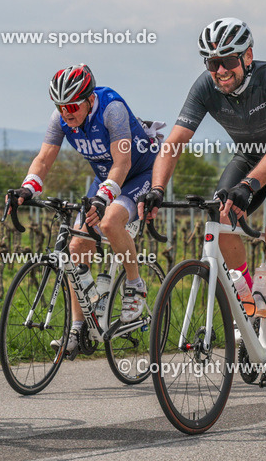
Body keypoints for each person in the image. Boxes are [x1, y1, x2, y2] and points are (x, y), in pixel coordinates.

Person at [139, 17, 266, 388]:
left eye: (229, 61)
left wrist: (249, 186)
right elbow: (173, 143)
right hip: (249, 157)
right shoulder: (206, 85)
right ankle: (249, 302)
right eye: (212, 62)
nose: (220, 70)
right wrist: (155, 188)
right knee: (221, 223)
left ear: (247, 56)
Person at [10, 64, 156, 359]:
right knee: (76, 246)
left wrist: (103, 198)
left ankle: (134, 284)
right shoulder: (60, 118)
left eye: (72, 106)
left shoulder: (112, 109)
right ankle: (78, 328)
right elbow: (44, 159)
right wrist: (28, 187)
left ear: (90, 99)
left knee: (111, 222)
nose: (66, 112)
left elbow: (123, 163)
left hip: (138, 174)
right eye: (60, 106)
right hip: (105, 179)